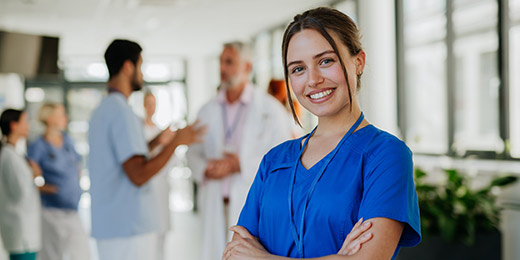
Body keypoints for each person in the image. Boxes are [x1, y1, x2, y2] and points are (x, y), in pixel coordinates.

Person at [224, 7, 421, 260]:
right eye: (298, 69)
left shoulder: (386, 155)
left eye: (326, 61)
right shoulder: (274, 161)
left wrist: (262, 257)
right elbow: (235, 254)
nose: (313, 80)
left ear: (358, 62)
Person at [88, 39, 205, 260]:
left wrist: (157, 142)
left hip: (113, 227)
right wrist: (176, 142)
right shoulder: (122, 112)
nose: (141, 73)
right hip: (128, 230)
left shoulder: (103, 110)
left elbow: (121, 159)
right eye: (140, 66)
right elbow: (138, 174)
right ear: (128, 67)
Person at [186, 41, 293, 260]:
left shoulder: (270, 109)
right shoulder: (207, 110)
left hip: (251, 203)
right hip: (216, 201)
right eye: (221, 62)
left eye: (229, 62)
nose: (222, 69)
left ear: (247, 67)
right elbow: (192, 152)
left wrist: (239, 164)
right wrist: (206, 168)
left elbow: (284, 158)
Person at [27, 103, 90, 260]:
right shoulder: (39, 146)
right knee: (52, 256)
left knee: (82, 254)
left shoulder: (67, 140)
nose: (65, 118)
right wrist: (49, 188)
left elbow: (77, 165)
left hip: (73, 210)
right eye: (61, 114)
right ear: (49, 118)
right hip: (51, 212)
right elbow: (31, 177)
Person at [0, 109, 41, 260]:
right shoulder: (9, 156)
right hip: (21, 231)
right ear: (14, 126)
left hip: (23, 231)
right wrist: (34, 175)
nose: (28, 126)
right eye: (24, 122)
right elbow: (21, 193)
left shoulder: (14, 154)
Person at [142, 91, 173, 260]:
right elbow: (140, 156)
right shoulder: (139, 130)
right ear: (144, 105)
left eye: (153, 104)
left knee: (161, 231)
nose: (151, 107)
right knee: (149, 233)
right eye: (148, 103)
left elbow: (169, 160)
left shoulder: (161, 130)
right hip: (147, 185)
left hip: (161, 185)